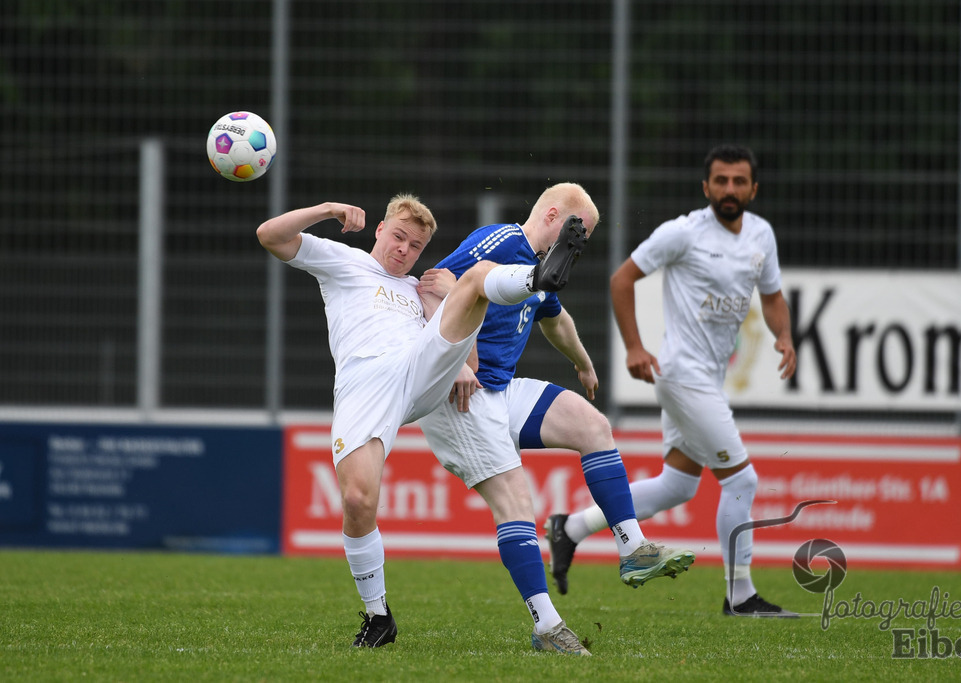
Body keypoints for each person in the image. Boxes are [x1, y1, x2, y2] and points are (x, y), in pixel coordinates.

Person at [255, 193, 588, 649]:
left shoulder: (418, 285)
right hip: (366, 385)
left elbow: (460, 332)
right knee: (357, 500)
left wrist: (462, 355)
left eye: (414, 245)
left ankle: (536, 277)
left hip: (418, 370)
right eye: (398, 237)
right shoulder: (344, 261)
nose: (404, 251)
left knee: (468, 280)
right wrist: (329, 211)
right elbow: (269, 235)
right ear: (380, 230)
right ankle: (378, 617)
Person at [417, 183, 695, 655]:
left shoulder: (541, 269)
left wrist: (583, 363)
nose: (578, 246)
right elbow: (433, 280)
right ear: (552, 216)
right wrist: (456, 360)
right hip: (459, 399)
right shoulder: (503, 241)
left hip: (500, 391)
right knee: (517, 506)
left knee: (593, 426)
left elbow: (555, 319)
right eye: (576, 233)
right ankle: (547, 628)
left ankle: (633, 549)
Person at [545, 146, 799, 617]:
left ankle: (569, 528)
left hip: (708, 379)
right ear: (706, 188)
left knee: (676, 486)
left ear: (753, 189)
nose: (729, 189)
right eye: (720, 181)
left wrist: (784, 336)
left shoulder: (761, 234)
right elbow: (622, 280)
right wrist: (635, 347)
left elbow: (773, 295)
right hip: (683, 376)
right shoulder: (683, 233)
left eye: (738, 181)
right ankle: (739, 597)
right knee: (741, 480)